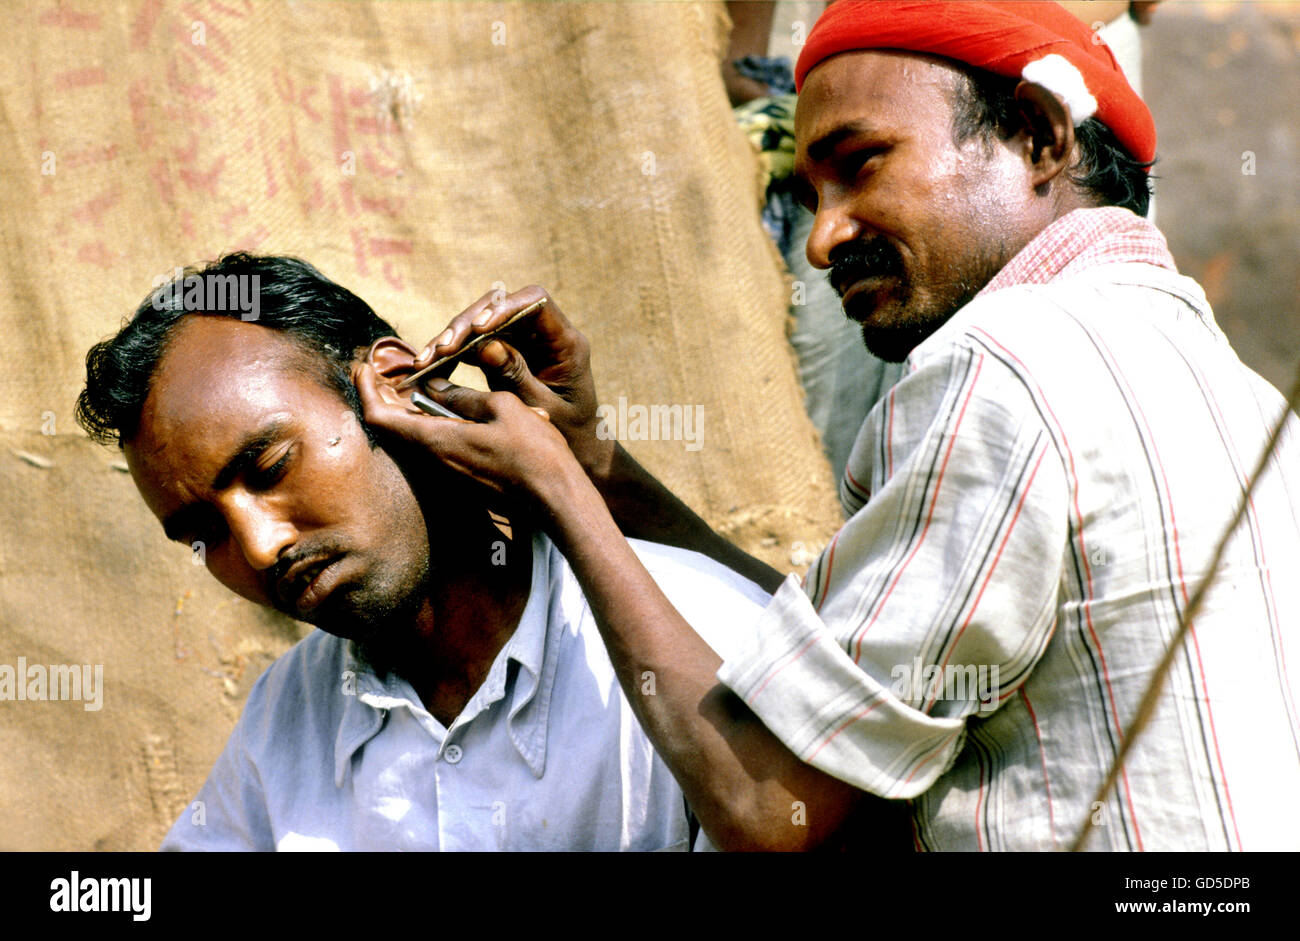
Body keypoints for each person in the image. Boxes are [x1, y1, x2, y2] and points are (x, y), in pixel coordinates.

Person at [367, 1, 1300, 850]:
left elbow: (770, 803)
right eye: (812, 194)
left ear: (1037, 135)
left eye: (861, 166)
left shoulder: (1001, 366)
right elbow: (865, 658)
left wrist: (554, 490)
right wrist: (600, 468)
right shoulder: (1229, 387)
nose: (821, 238)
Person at [74, 253, 770, 851]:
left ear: (393, 388)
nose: (259, 548)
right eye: (205, 532)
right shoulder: (288, 716)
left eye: (271, 466)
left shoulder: (696, 642)